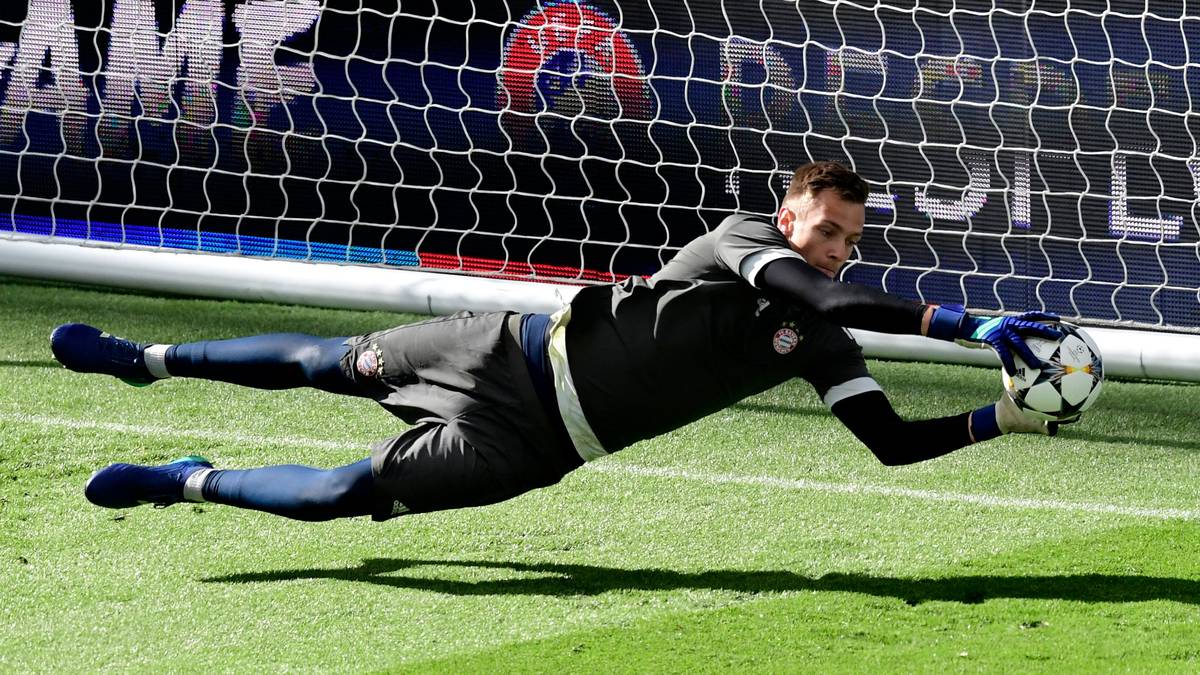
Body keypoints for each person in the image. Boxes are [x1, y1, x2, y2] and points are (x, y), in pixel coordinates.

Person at [51, 161, 1063, 523]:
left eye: (852, 238)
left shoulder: (824, 342)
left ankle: (185, 480)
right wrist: (961, 323)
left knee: (331, 496)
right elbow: (813, 293)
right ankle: (148, 359)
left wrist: (1001, 416)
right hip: (503, 351)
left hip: (536, 447)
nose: (838, 249)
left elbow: (888, 443)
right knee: (327, 362)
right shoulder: (745, 244)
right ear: (791, 214)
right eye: (829, 228)